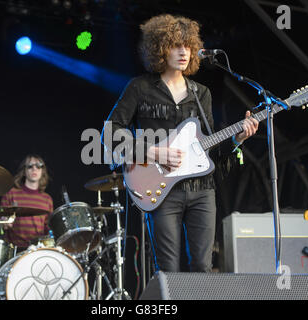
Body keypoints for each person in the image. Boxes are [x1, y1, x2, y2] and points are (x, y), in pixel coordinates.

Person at [103, 14, 258, 273]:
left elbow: (208, 145)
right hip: (162, 190)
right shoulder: (140, 88)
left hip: (202, 189)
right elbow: (110, 133)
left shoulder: (201, 93)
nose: (183, 52)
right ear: (160, 49)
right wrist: (153, 152)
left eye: (187, 46)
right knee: (168, 268)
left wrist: (237, 139)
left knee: (202, 265)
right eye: (176, 45)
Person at [0, 154, 54, 250]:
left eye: (38, 166)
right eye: (30, 166)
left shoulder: (47, 199)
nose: (34, 169)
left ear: (42, 171)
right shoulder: (11, 193)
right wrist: (2, 222)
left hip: (38, 250)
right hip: (14, 249)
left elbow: (48, 228)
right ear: (24, 171)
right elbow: (0, 220)